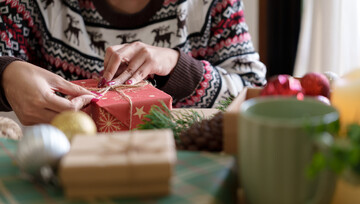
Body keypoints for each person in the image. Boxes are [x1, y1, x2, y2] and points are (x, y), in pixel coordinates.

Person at [0, 0, 266, 125]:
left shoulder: (213, 4)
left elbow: (256, 95)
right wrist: (5, 75)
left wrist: (179, 67)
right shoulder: (31, 4)